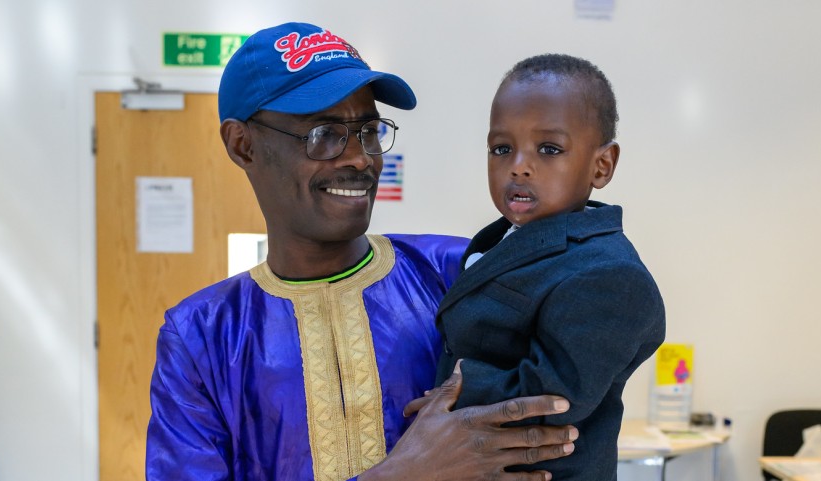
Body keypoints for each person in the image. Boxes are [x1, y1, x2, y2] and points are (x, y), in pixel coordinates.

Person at [145, 23, 579, 481]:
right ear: (243, 145)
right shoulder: (202, 337)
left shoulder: (458, 272)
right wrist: (404, 475)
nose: (360, 158)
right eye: (324, 133)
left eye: (368, 131)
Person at [431, 54, 667, 480]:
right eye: (501, 148)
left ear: (602, 166)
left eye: (549, 149)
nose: (518, 166)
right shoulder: (507, 236)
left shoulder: (608, 273)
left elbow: (555, 396)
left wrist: (452, 390)